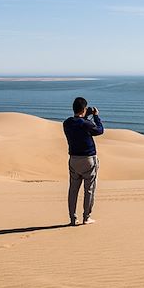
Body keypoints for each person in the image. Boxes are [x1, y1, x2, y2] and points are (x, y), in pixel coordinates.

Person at [63, 96, 104, 226]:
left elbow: (79, 123)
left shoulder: (67, 123)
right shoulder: (86, 124)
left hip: (73, 160)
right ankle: (86, 217)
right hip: (88, 160)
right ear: (84, 109)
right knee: (89, 189)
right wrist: (96, 116)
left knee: (73, 190)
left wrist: (85, 115)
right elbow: (100, 130)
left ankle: (72, 219)